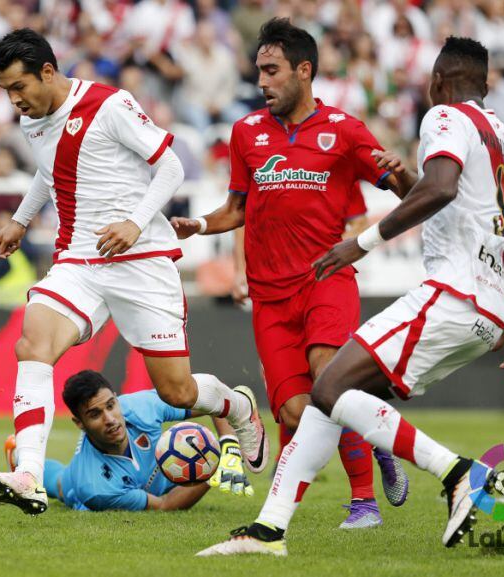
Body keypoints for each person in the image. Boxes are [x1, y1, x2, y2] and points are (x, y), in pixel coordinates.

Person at [196, 36, 504, 556]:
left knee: (328, 388)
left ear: (437, 81)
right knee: (336, 399)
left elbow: (439, 188)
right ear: (485, 84)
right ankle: (268, 530)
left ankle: (457, 472)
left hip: (450, 294)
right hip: (488, 313)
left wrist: (362, 243)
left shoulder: (444, 119)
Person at [0, 28, 267, 515]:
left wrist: (135, 223)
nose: (14, 100)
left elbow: (172, 167)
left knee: (177, 390)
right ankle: (29, 472)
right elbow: (50, 173)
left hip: (141, 260)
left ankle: (235, 405)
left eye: (18, 87)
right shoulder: (34, 119)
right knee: (33, 344)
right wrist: (21, 220)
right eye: (6, 89)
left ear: (47, 72)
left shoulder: (110, 105)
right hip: (80, 259)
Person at [172, 19, 411, 529]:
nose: (261, 81)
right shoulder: (246, 132)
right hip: (270, 298)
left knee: (331, 380)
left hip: (326, 279)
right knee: (298, 414)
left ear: (304, 71)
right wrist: (198, 224)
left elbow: (406, 190)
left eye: (271, 70)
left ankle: (364, 503)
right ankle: (374, 432)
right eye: (258, 70)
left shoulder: (344, 131)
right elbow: (236, 209)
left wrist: (404, 169)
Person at [3, 370, 253, 511]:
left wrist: (229, 446)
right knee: (60, 484)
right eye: (95, 414)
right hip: (78, 483)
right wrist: (214, 469)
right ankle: (19, 456)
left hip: (155, 476)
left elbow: (215, 401)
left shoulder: (142, 406)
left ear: (116, 398)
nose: (110, 419)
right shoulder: (92, 485)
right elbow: (165, 505)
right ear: (80, 423)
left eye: (111, 405)